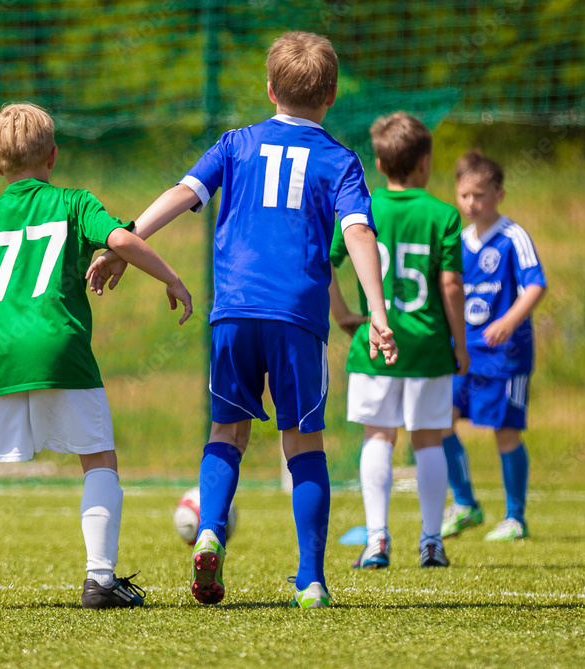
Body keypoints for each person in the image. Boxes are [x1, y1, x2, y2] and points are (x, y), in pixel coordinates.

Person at [86, 31, 397, 608]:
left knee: (226, 433)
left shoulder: (236, 143)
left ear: (271, 88)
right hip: (297, 315)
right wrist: (376, 312)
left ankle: (210, 529)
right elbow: (358, 234)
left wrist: (124, 239)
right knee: (303, 442)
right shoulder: (341, 160)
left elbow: (182, 193)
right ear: (330, 95)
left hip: (234, 310)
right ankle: (310, 581)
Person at [0, 102, 192, 610]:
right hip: (61, 350)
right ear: (53, 155)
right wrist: (171, 277)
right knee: (97, 459)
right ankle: (99, 581)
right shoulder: (74, 202)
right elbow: (121, 238)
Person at [328, 112, 469, 571]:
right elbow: (450, 286)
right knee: (428, 440)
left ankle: (375, 540)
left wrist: (346, 315)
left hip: (374, 345)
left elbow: (326, 261)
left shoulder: (363, 207)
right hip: (427, 346)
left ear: (380, 162)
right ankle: (431, 541)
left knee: (378, 437)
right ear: (425, 163)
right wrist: (460, 344)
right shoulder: (444, 215)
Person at [440, 150, 547, 542]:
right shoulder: (457, 239)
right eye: (464, 195)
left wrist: (508, 320)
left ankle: (515, 517)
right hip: (462, 353)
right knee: (439, 421)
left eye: (480, 195)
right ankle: (465, 503)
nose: (471, 203)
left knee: (505, 432)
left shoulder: (512, 237)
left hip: (505, 356)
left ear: (499, 194)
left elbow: (536, 284)